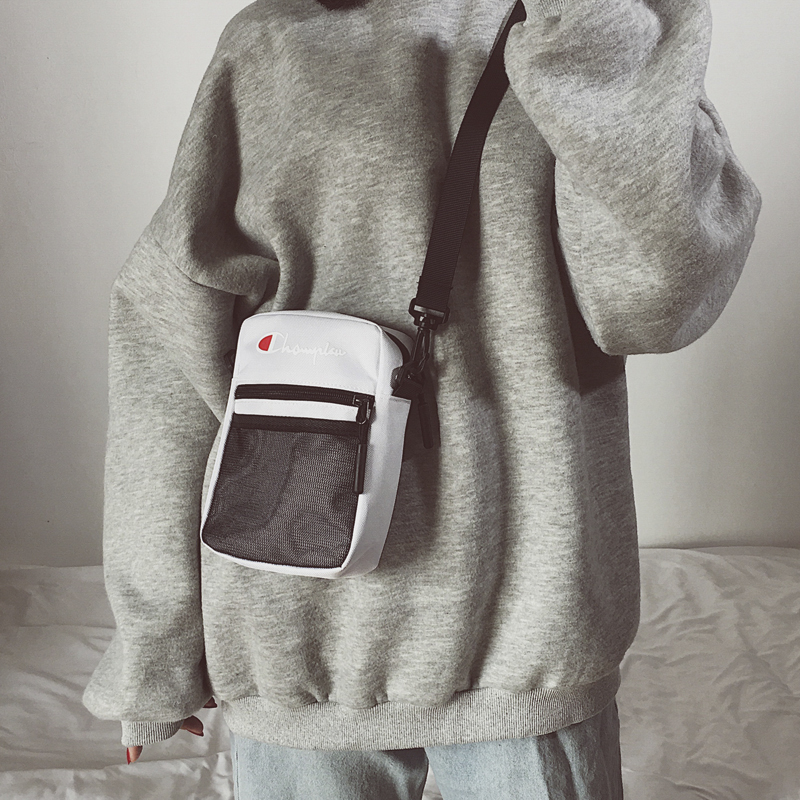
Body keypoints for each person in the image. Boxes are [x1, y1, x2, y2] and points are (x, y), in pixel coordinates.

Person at [82, 0, 761, 797]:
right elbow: (168, 343)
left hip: (526, 634)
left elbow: (654, 306)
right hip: (298, 624)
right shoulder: (271, 43)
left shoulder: (596, 27)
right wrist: (156, 642)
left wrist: (597, 31)